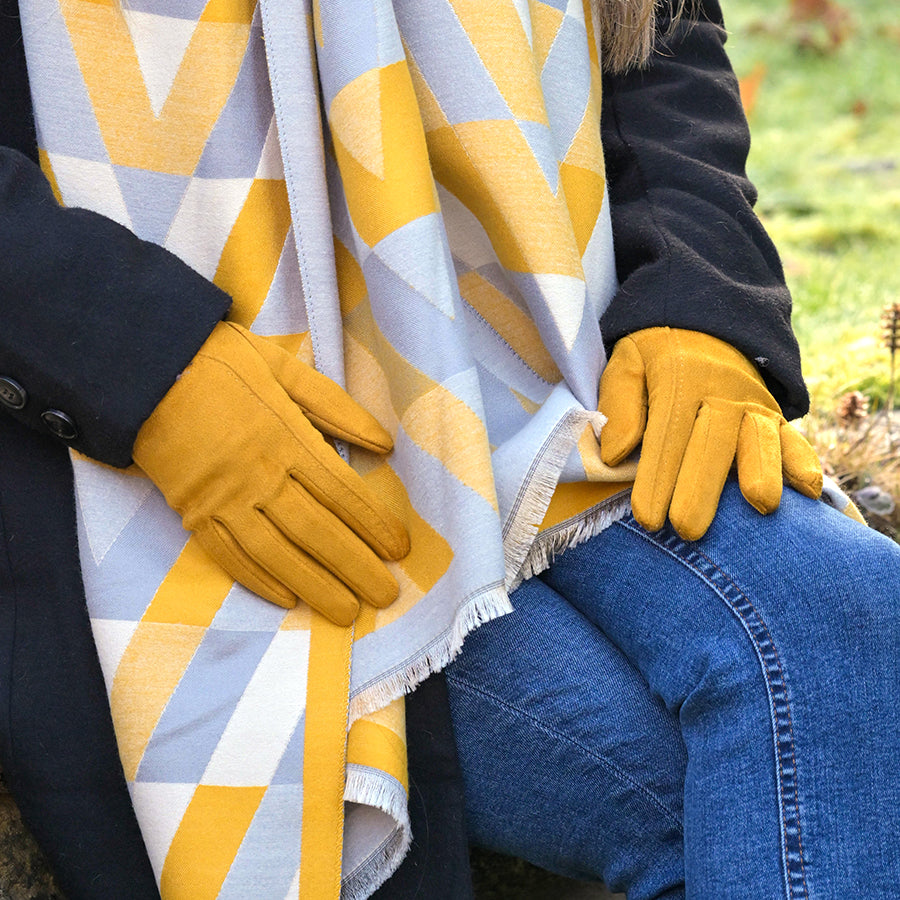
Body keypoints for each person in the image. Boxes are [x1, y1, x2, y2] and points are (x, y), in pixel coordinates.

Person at [0, 2, 897, 900]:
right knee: (751, 785)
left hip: (552, 368)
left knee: (845, 614)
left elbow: (661, 28)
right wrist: (129, 354)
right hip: (212, 451)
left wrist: (700, 293)